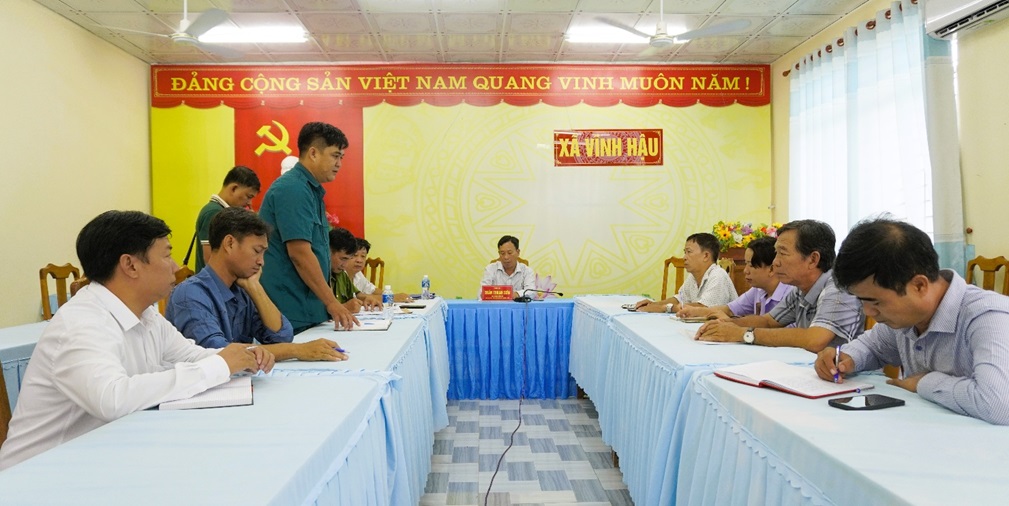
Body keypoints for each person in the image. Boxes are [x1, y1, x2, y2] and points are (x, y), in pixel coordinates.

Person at [0, 211, 274, 470]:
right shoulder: (82, 323)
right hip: (37, 474)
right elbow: (112, 398)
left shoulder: (146, 315)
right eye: (167, 255)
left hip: (95, 459)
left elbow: (190, 355)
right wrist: (219, 365)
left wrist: (241, 357)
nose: (176, 267)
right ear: (130, 265)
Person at [815, 218, 1009, 425]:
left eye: (875, 302)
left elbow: (999, 405)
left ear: (919, 286)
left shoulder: (989, 317)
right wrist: (845, 358)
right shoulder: (907, 318)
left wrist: (924, 382)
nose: (868, 311)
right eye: (861, 300)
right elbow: (872, 347)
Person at [167, 208, 347, 362]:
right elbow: (220, 354)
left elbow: (281, 336)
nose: (261, 262)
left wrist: (256, 288)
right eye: (256, 251)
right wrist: (297, 350)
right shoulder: (190, 294)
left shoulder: (242, 289)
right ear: (229, 243)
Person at [695, 219, 864, 352]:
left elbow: (815, 339)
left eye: (783, 253)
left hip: (843, 379)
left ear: (813, 259)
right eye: (776, 253)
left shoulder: (839, 287)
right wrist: (726, 325)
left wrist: (744, 334)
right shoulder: (800, 289)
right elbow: (768, 321)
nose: (775, 262)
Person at [259, 122, 358, 333]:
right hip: (290, 310)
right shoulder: (293, 188)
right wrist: (332, 303)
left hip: (308, 308)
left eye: (342, 157)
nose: (339, 164)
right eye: (335, 156)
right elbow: (300, 254)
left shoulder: (311, 190)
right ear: (313, 153)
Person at [677, 236, 794, 320]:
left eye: (751, 265)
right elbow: (730, 309)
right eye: (745, 264)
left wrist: (731, 323)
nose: (745, 271)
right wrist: (696, 311)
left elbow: (783, 332)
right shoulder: (758, 290)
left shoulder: (791, 293)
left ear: (772, 269)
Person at [634, 233, 737, 313]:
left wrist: (664, 308)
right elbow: (679, 299)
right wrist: (654, 304)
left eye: (689, 252)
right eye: (685, 252)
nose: (684, 257)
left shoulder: (718, 275)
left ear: (706, 256)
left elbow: (703, 309)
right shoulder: (693, 276)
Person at [194, 166, 261, 273]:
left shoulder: (220, 212)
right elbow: (210, 257)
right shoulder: (213, 213)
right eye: (248, 196)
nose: (249, 203)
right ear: (234, 188)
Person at [329, 227, 382, 311]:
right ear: (328, 252)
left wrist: (367, 298)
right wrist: (344, 307)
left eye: (363, 256)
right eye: (343, 259)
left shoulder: (341, 274)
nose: (345, 265)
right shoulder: (319, 274)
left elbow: (358, 294)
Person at [349, 237, 411, 302]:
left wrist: (391, 295)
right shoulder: (342, 275)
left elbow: (372, 289)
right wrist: (392, 298)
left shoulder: (358, 274)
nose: (359, 260)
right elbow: (357, 298)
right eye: (355, 255)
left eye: (363, 256)